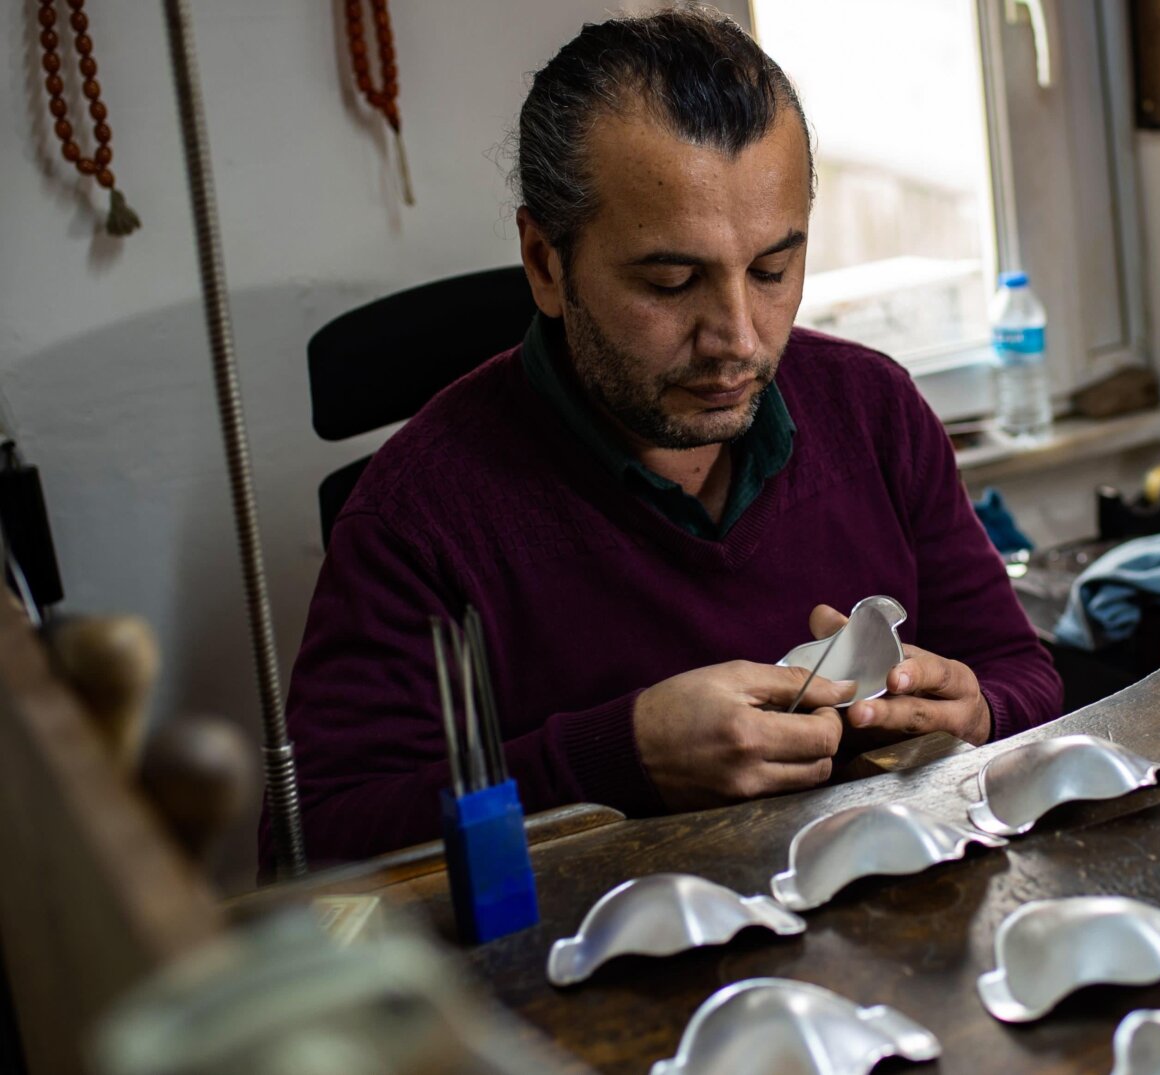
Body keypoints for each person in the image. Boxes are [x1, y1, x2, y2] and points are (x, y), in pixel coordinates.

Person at [267, 9, 1063, 867]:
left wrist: (976, 711)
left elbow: (1023, 671)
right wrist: (617, 759)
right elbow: (314, 849)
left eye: (771, 270)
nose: (738, 338)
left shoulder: (873, 410)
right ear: (545, 262)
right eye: (673, 280)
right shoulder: (418, 518)